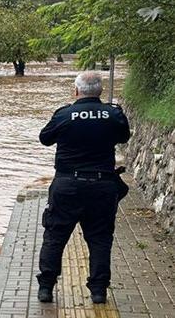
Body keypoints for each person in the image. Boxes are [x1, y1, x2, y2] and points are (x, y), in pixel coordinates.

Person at [36, 71, 131, 304]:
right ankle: (98, 292)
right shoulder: (113, 114)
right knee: (100, 238)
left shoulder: (65, 114)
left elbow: (45, 138)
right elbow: (124, 137)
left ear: (76, 90)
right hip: (102, 186)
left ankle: (46, 288)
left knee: (55, 235)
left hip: (67, 186)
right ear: (99, 91)